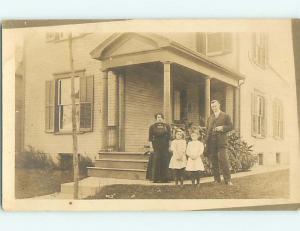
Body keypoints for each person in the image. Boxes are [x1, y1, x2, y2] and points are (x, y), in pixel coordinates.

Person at [206, 100, 233, 185]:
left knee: (223, 160)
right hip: (212, 142)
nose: (214, 108)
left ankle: (228, 180)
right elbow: (208, 130)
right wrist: (206, 141)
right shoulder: (210, 118)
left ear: (219, 105)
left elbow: (231, 126)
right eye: (212, 107)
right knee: (214, 161)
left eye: (215, 106)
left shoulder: (225, 116)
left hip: (221, 141)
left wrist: (222, 128)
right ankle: (216, 180)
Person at [148, 113, 172, 183]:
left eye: (161, 117)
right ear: (156, 118)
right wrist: (151, 147)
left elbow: (169, 137)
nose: (160, 118)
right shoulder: (152, 127)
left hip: (165, 145)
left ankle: (165, 178)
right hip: (156, 145)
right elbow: (150, 138)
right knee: (156, 161)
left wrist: (170, 146)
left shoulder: (166, 126)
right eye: (158, 117)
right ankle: (155, 178)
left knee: (165, 161)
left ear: (163, 118)